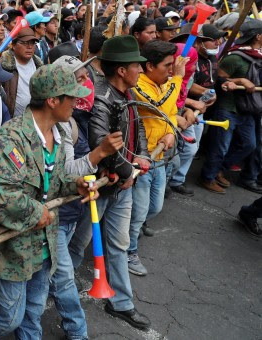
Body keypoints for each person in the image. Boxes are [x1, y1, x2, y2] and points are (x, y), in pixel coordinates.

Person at [0, 63, 96, 339]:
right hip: (14, 248)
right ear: (53, 101)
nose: (77, 103)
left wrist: (76, 185)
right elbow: (0, 196)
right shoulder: (12, 137)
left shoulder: (60, 133)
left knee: (33, 312)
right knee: (8, 317)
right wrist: (34, 211)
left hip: (45, 244)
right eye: (71, 97)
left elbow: (57, 179)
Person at [69, 35, 152, 330]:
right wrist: (128, 172)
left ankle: (121, 303)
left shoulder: (129, 94)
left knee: (118, 244)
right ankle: (58, 291)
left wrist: (141, 157)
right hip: (100, 188)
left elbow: (138, 128)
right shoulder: (102, 99)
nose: (141, 71)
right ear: (121, 70)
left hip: (121, 186)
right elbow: (100, 144)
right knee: (78, 245)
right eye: (136, 66)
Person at [51, 55, 125, 340]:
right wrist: (99, 154)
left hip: (73, 212)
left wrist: (104, 164)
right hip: (56, 214)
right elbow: (65, 173)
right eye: (78, 80)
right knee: (64, 278)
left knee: (63, 264)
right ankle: (77, 332)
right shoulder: (57, 123)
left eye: (86, 77)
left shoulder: (77, 116)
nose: (87, 85)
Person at [128, 40, 184, 275]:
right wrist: (178, 80)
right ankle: (128, 251)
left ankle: (133, 228)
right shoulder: (139, 84)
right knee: (139, 211)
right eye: (167, 65)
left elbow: (171, 113)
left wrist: (170, 132)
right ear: (149, 66)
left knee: (155, 207)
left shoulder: (164, 83)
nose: (171, 70)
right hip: (142, 158)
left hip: (159, 157)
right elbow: (159, 106)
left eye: (173, 66)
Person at [200, 19, 262, 194]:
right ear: (258, 36)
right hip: (228, 107)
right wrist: (240, 80)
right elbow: (218, 81)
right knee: (220, 146)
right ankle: (208, 177)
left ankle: (220, 168)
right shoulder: (235, 57)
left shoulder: (260, 55)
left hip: (249, 109)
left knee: (249, 144)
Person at [168, 24, 225, 196]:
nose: (195, 46)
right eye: (193, 42)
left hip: (189, 110)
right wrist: (190, 105)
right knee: (175, 152)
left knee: (190, 148)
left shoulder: (200, 59)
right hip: (175, 113)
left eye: (197, 43)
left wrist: (204, 95)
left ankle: (175, 180)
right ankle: (166, 182)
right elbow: (170, 92)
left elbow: (186, 86)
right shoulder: (173, 60)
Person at [0, 27, 44, 117]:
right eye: (24, 43)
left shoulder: (39, 66)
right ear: (14, 45)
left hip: (35, 118)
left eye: (32, 43)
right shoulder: (3, 65)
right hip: (11, 120)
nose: (29, 46)